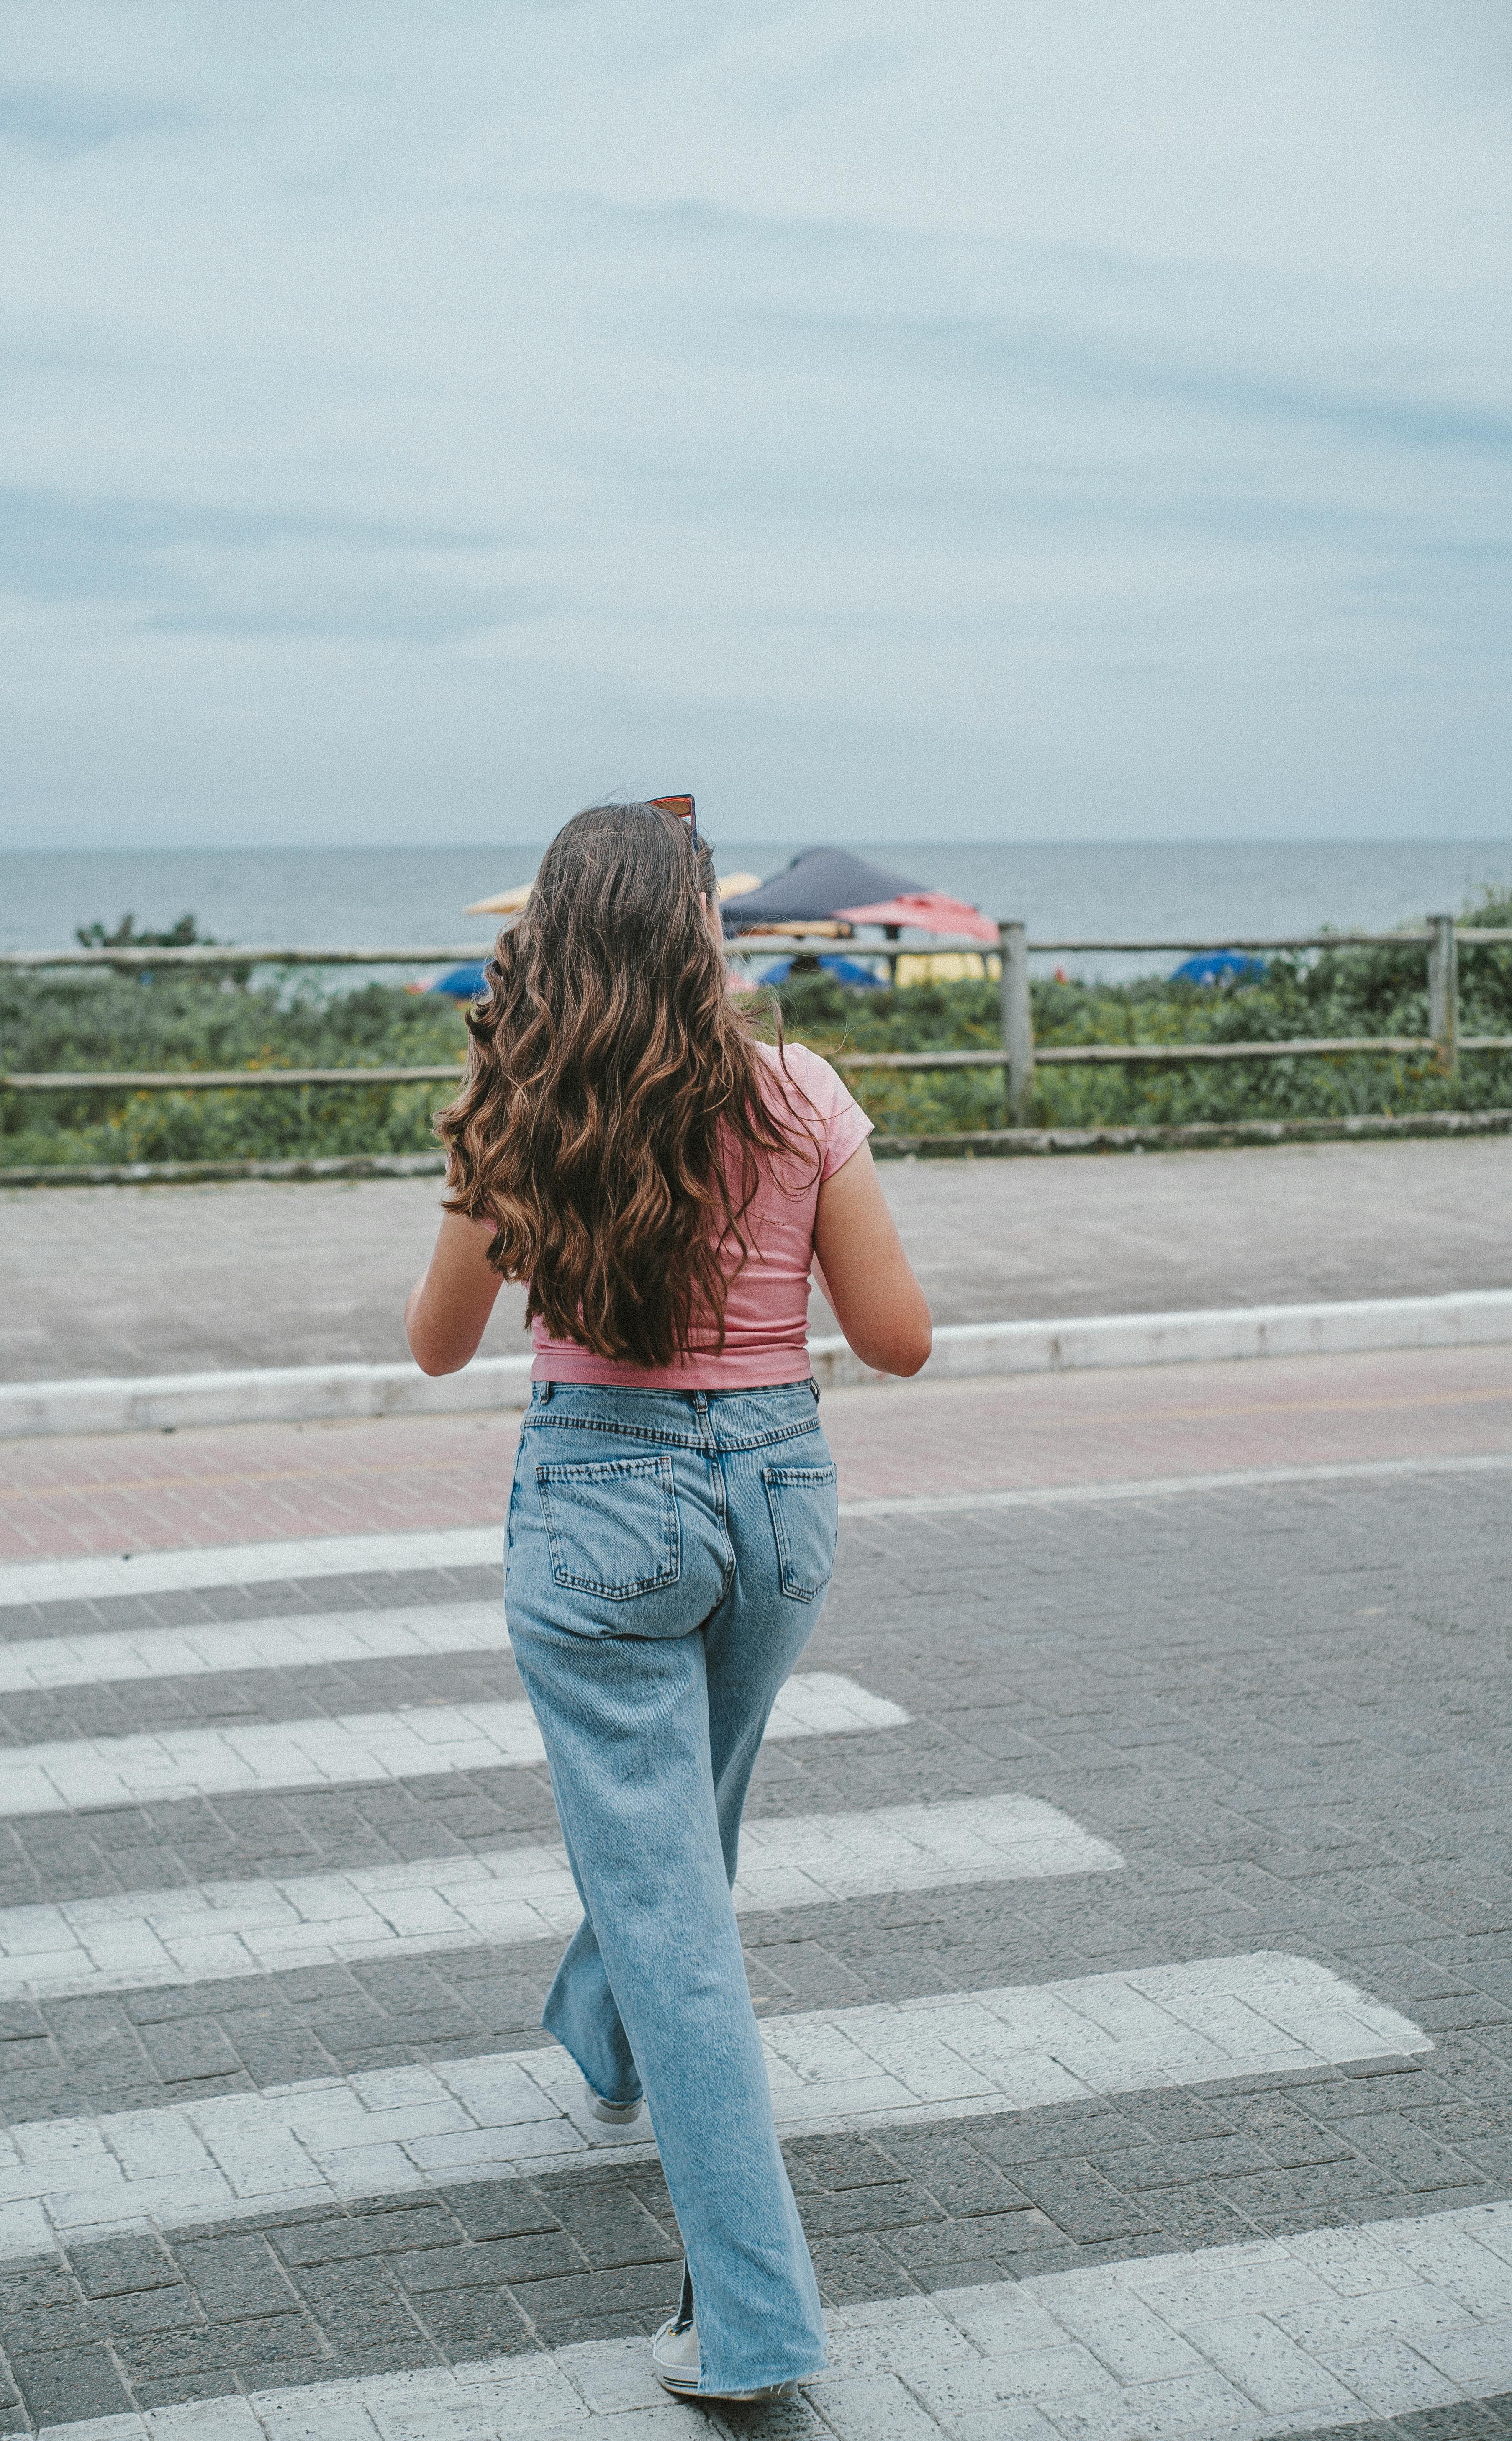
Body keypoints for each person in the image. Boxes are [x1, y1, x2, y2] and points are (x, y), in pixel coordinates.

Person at [406, 799, 931, 2403]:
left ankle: (754, 2320)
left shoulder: (525, 1103)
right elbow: (900, 1339)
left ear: (555, 940)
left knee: (671, 1907)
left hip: (601, 1505)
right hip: (777, 1498)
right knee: (684, 1827)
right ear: (706, 933)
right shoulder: (803, 1092)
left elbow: (437, 1343)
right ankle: (611, 2033)